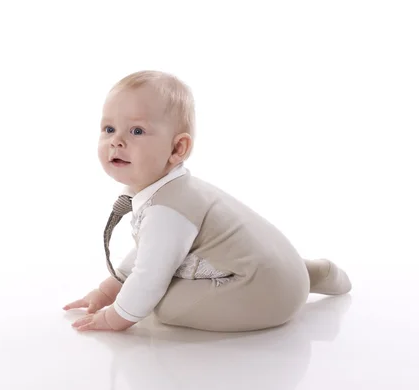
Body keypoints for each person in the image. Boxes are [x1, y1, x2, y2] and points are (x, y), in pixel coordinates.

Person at [63, 70, 352, 332]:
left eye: (137, 131)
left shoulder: (167, 209)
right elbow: (145, 251)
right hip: (283, 270)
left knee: (159, 303)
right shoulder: (175, 190)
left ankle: (290, 288)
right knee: (153, 283)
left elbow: (149, 276)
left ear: (178, 148)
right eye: (109, 129)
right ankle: (315, 273)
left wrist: (115, 316)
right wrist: (105, 292)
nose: (117, 141)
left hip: (266, 294)